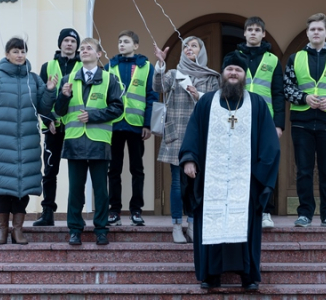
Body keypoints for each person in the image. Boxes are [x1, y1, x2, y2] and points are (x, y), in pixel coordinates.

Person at [179, 52, 280, 292]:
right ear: (222, 74)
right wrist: (189, 160)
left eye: (238, 70)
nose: (233, 73)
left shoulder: (257, 104)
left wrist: (259, 176)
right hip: (211, 180)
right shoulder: (206, 103)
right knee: (211, 224)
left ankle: (248, 276)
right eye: (229, 69)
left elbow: (269, 144)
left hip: (246, 181)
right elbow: (193, 133)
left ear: (244, 76)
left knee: (245, 228)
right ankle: (210, 276)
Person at [0, 37, 56, 245]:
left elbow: (44, 109)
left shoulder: (34, 79)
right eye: (15, 51)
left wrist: (48, 91)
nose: (20, 55)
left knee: (23, 189)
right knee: (3, 187)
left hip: (28, 143)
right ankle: (2, 230)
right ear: (7, 54)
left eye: (23, 51)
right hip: (2, 143)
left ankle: (18, 230)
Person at [283, 13, 326, 228]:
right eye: (312, 29)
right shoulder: (295, 58)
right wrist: (304, 97)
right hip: (302, 121)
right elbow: (286, 88)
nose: (316, 32)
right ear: (307, 33)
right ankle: (304, 213)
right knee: (303, 170)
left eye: (319, 29)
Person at [53, 38, 123, 246]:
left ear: (99, 54)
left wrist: (93, 115)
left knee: (101, 190)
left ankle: (101, 229)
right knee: (75, 190)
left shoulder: (110, 79)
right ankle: (75, 229)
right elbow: (58, 111)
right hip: (74, 141)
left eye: (89, 48)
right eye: (82, 48)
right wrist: (64, 97)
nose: (84, 51)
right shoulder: (68, 79)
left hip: (99, 142)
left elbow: (118, 108)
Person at [153, 36, 220, 244]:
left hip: (200, 135)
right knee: (177, 184)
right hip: (176, 133)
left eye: (194, 46)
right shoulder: (174, 74)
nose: (189, 48)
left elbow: (216, 103)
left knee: (195, 184)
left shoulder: (212, 77)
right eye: (186, 46)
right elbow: (157, 87)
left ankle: (192, 224)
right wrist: (161, 65)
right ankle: (176, 226)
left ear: (201, 51)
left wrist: (198, 94)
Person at [104, 30, 158, 227]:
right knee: (114, 170)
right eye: (119, 41)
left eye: (126, 41)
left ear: (135, 45)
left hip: (136, 125)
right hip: (115, 124)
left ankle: (136, 210)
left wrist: (148, 123)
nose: (121, 44)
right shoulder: (109, 66)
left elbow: (152, 96)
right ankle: (114, 210)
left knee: (137, 169)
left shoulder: (146, 67)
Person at [236, 16, 284, 228]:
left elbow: (279, 93)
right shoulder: (234, 57)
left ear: (263, 34)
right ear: (244, 33)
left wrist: (279, 124)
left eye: (257, 30)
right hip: (238, 118)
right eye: (250, 29)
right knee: (239, 164)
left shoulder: (273, 60)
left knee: (265, 165)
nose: (253, 33)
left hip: (266, 121)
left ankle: (265, 211)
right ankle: (241, 210)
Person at [33, 28, 82, 227]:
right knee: (50, 171)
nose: (69, 44)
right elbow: (41, 97)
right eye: (66, 40)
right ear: (60, 43)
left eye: (73, 41)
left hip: (76, 128)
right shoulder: (48, 66)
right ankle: (47, 212)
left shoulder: (83, 66)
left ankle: (75, 213)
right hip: (53, 127)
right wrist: (47, 121)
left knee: (77, 172)